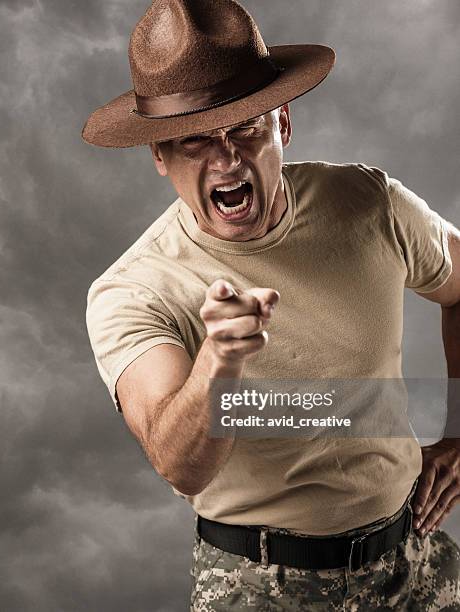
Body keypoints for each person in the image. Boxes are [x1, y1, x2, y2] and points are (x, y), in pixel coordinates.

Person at [82, 0, 460, 609]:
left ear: (283, 123)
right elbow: (179, 465)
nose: (226, 159)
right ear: (160, 156)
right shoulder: (133, 291)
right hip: (261, 587)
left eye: (246, 128)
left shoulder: (370, 203)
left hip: (412, 562)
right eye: (195, 141)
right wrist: (219, 363)